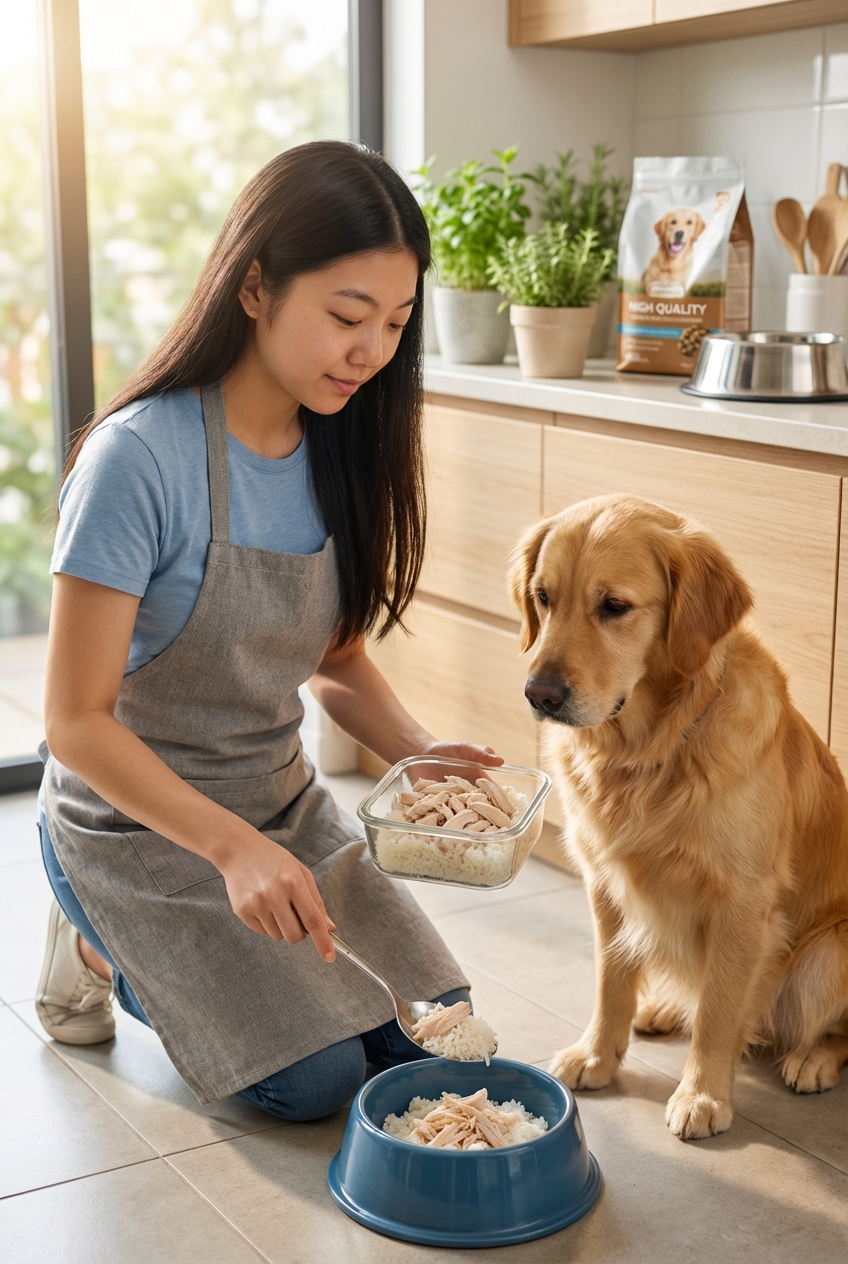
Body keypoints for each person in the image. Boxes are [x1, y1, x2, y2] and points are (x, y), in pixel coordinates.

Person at [35, 140, 502, 1120]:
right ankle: (90, 939)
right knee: (315, 1081)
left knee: (429, 1024)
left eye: (393, 322)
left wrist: (417, 752)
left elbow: (333, 658)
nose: (370, 351)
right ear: (254, 287)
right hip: (134, 825)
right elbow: (75, 722)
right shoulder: (138, 459)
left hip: (278, 808)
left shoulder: (338, 444)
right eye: (345, 317)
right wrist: (231, 852)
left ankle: (195, 936)